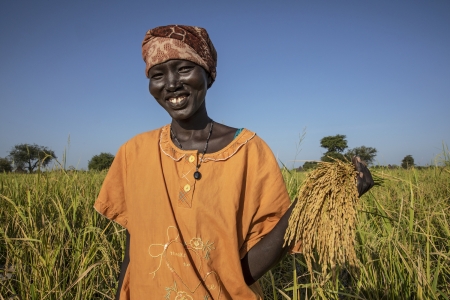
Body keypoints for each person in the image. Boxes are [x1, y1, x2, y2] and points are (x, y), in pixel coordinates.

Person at [94, 24, 374, 300]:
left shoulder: (249, 152)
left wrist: (312, 204)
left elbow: (247, 267)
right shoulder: (134, 153)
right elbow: (135, 251)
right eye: (157, 74)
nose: (171, 83)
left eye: (184, 69)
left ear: (208, 75)